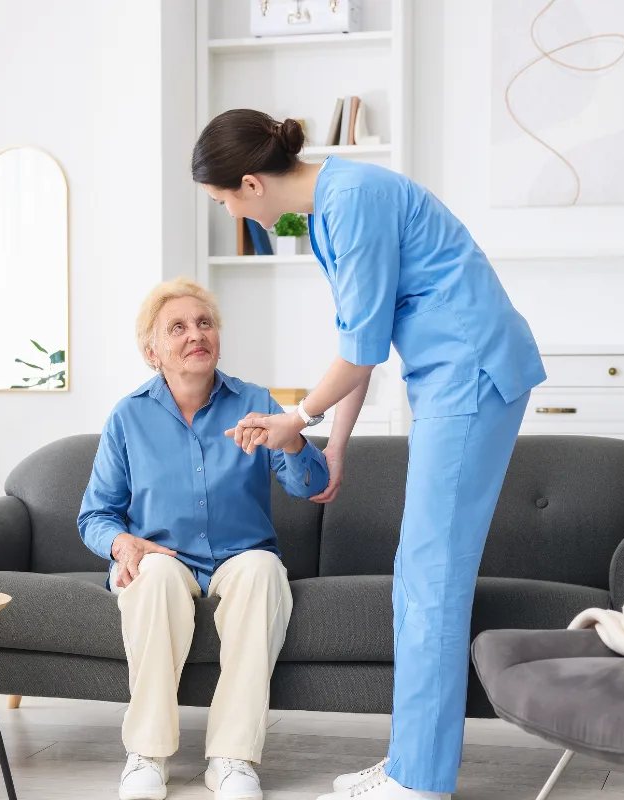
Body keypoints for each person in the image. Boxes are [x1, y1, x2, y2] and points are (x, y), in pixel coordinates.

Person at [191, 110, 547, 800]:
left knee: (429, 576)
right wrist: (336, 441)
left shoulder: (350, 204)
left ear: (250, 184)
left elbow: (359, 353)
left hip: (471, 373)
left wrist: (296, 417)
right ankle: (412, 764)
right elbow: (363, 338)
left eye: (225, 201)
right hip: (454, 376)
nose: (232, 212)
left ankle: (419, 779)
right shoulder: (332, 208)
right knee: (423, 575)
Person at [78, 277, 330, 800]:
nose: (196, 334)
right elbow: (95, 515)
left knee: (262, 571)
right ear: (153, 352)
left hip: (242, 557)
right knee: (152, 578)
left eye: (204, 323)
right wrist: (122, 544)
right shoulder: (128, 416)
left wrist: (294, 436)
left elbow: (311, 485)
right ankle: (146, 754)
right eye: (178, 327)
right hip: (161, 557)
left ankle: (232, 760)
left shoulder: (255, 401)